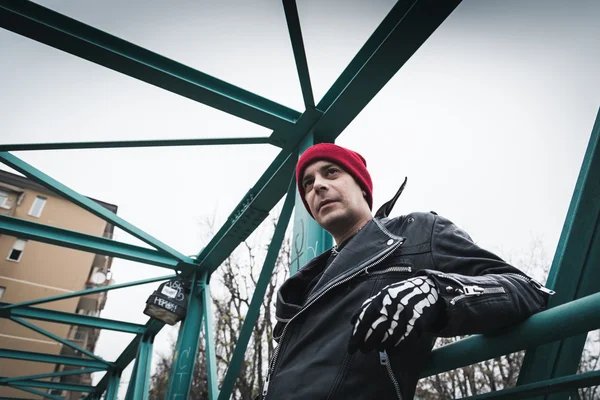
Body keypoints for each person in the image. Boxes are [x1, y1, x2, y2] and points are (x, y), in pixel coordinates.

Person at [260, 143, 553, 400]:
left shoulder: (417, 233)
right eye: (308, 184)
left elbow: (528, 289)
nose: (318, 186)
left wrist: (437, 291)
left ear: (362, 185)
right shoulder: (302, 287)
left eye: (332, 172)